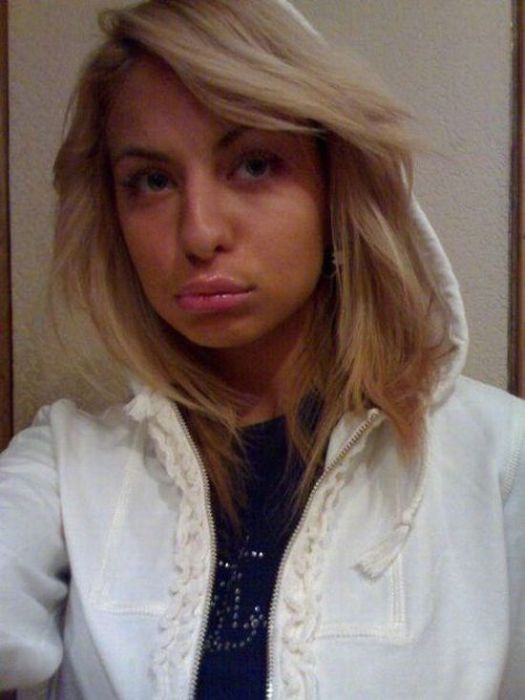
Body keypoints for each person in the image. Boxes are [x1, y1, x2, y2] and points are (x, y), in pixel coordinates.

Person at [1, 0, 524, 697]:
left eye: (252, 165)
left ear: (334, 184)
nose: (199, 233)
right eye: (152, 181)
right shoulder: (66, 468)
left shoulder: (498, 459)